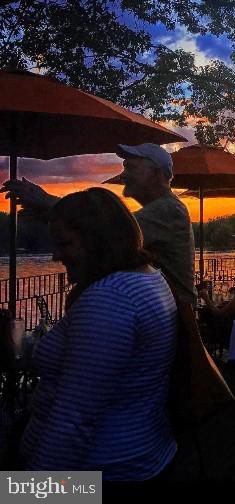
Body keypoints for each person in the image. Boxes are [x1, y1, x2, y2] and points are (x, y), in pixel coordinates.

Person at [19, 188, 177, 479]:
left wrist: (31, 491)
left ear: (98, 240)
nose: (56, 256)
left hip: (100, 474)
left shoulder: (110, 298)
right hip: (142, 454)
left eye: (65, 243)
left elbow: (73, 420)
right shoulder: (149, 277)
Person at [1, 144, 196, 305]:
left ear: (158, 175)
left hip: (174, 320)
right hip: (164, 310)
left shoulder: (169, 210)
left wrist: (45, 200)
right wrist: (49, 213)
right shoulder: (164, 209)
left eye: (131, 168)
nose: (123, 175)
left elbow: (109, 226)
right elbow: (101, 230)